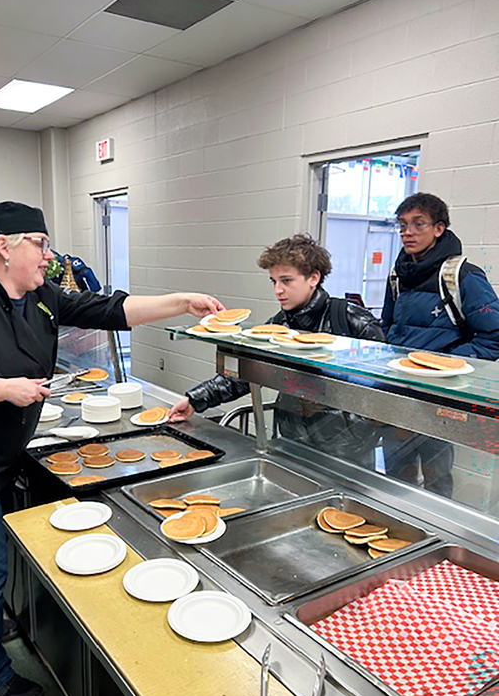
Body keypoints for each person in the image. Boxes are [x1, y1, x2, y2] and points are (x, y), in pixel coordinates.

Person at [0, 201, 224, 696]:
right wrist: (3, 389)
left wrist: (180, 301)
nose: (50, 256)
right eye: (41, 244)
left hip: (2, 452)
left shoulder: (39, 296)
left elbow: (108, 309)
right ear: (4, 247)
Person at [169, 234, 385, 467]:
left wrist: (351, 424)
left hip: (347, 450)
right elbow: (246, 373)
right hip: (291, 439)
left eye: (286, 281)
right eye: (274, 281)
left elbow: (383, 383)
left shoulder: (350, 318)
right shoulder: (278, 324)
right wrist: (194, 399)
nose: (278, 290)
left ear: (314, 278)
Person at [381, 192, 499, 497]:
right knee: (396, 473)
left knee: (436, 478)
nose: (408, 232)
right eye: (403, 225)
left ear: (439, 228)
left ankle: (435, 541)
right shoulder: (398, 275)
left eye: (418, 224)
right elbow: (387, 327)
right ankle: (400, 533)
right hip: (398, 392)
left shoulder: (462, 276)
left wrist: (442, 364)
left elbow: (495, 337)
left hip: (440, 397)